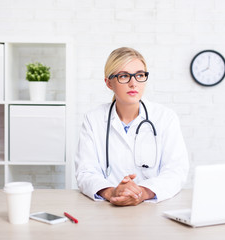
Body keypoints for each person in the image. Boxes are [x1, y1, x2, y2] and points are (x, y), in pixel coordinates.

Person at [75, 47, 189, 206]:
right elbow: (86, 172)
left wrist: (142, 193)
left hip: (153, 210)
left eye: (140, 75)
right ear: (109, 83)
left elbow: (176, 171)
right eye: (123, 76)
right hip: (106, 210)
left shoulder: (165, 118)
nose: (133, 83)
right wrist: (112, 192)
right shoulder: (93, 119)